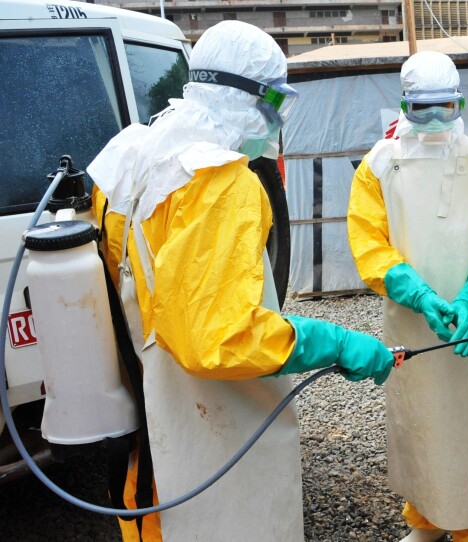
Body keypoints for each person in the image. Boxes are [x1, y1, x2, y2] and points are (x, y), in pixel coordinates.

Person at [87, 21, 394, 542]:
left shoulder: (135, 154)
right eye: (275, 100)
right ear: (247, 96)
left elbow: (134, 288)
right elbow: (219, 339)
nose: (276, 119)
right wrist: (333, 340)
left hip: (153, 406)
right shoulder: (220, 183)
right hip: (217, 417)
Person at [347, 51, 468, 542]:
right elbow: (370, 245)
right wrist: (418, 294)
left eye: (447, 107)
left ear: (460, 102)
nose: (437, 120)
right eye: (424, 108)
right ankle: (425, 518)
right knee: (416, 422)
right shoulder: (379, 166)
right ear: (404, 104)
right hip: (409, 320)